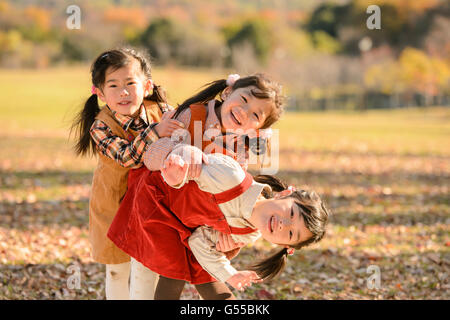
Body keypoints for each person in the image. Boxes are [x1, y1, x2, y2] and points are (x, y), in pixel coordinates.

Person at [108, 144, 330, 300]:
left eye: (291, 234)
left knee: (196, 263)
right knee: (176, 267)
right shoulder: (232, 178)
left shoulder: (248, 234)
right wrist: (179, 171)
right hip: (156, 198)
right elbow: (190, 164)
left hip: (180, 224)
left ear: (285, 246)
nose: (283, 225)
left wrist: (230, 274)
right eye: (291, 214)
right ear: (283, 195)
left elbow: (199, 243)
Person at [70, 47, 184, 300]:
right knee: (117, 269)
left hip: (154, 203)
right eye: (113, 85)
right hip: (114, 203)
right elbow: (127, 157)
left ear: (146, 86)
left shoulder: (162, 111)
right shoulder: (100, 125)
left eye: (130, 83)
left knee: (147, 265)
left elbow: (187, 135)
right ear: (99, 93)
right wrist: (156, 131)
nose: (123, 92)